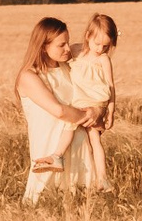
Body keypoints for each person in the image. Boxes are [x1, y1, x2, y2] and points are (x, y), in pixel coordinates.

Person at [15, 16, 99, 202]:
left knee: (83, 206)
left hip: (80, 150)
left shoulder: (69, 69)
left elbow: (90, 95)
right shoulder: (28, 77)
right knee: (42, 205)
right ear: (43, 46)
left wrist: (97, 111)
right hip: (50, 153)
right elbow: (58, 111)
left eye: (68, 42)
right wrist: (88, 115)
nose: (68, 49)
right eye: (61, 45)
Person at [60, 13, 117, 194]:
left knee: (95, 141)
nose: (100, 49)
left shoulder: (103, 60)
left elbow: (110, 86)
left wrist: (110, 112)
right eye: (97, 43)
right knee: (68, 131)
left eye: (106, 46)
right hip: (77, 101)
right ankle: (57, 157)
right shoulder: (76, 51)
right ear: (87, 36)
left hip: (95, 103)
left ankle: (102, 178)